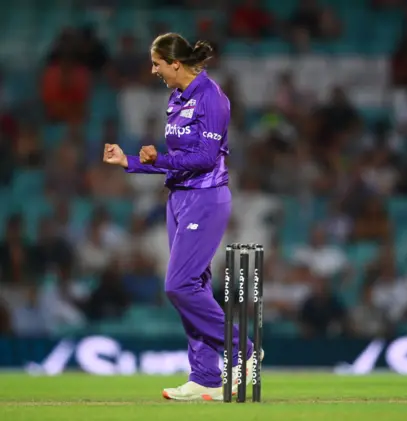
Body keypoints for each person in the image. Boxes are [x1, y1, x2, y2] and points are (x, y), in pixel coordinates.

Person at [103, 33, 262, 401]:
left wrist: (157, 158)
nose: (152, 70)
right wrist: (128, 161)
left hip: (206, 198)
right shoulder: (176, 99)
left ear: (175, 63)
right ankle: (205, 375)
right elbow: (174, 165)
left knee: (178, 285)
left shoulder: (211, 98)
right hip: (178, 199)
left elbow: (205, 158)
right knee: (194, 288)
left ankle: (246, 352)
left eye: (157, 63)